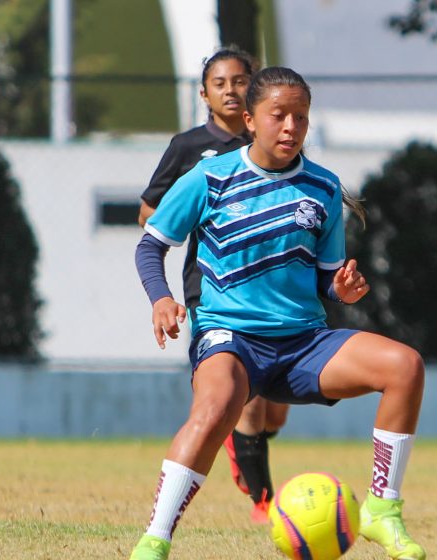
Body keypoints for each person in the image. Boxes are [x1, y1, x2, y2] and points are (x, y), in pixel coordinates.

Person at [128, 66, 427, 560]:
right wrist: (161, 297)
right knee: (215, 407)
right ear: (249, 119)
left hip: (303, 342)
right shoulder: (209, 178)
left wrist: (341, 288)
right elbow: (150, 245)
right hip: (231, 336)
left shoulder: (324, 188)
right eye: (279, 115)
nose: (291, 127)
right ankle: (155, 540)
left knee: (405, 366)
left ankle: (382, 511)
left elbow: (326, 278)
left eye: (301, 118)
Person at [137, 46, 291, 525]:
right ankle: (262, 500)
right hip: (212, 289)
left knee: (274, 412)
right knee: (249, 399)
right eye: (220, 83)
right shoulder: (188, 149)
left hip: (274, 291)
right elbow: (150, 215)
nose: (230, 90)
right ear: (204, 94)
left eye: (240, 81)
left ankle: (242, 443)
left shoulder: (273, 141)